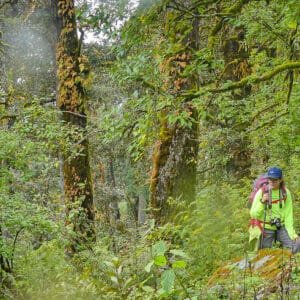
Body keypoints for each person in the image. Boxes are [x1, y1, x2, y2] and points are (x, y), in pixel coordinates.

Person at [249, 167, 300, 253]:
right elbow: (253, 214)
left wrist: (292, 234)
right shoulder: (262, 192)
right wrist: (262, 202)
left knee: (296, 245)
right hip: (266, 227)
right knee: (263, 254)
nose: (271, 182)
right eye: (270, 179)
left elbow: (288, 215)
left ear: (280, 180)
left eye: (275, 180)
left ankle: (287, 264)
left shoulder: (285, 193)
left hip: (281, 226)